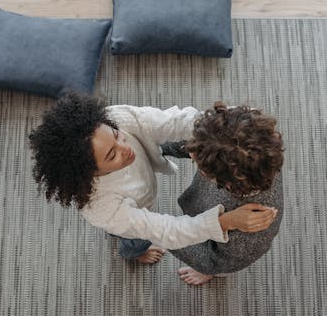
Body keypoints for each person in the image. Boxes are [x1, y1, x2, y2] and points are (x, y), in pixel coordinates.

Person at [28, 92, 278, 264]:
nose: (124, 147)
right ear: (89, 172)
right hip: (130, 215)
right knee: (136, 240)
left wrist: (222, 129)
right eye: (112, 155)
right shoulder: (103, 208)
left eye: (116, 135)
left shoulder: (116, 118)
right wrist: (223, 222)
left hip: (144, 185)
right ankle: (132, 255)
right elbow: (167, 230)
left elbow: (172, 122)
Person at [166, 102, 284, 286]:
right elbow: (197, 143)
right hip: (203, 203)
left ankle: (212, 275)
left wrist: (154, 230)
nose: (192, 154)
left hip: (218, 254)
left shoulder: (250, 233)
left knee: (217, 268)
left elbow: (211, 260)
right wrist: (156, 147)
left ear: (222, 179)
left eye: (198, 161)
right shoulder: (252, 138)